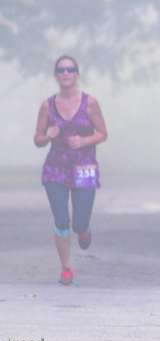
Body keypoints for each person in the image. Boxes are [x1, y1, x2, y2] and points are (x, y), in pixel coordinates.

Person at [34, 55, 108, 285]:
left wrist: (84, 141)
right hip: (56, 169)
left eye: (70, 69)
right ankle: (66, 268)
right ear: (56, 75)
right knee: (61, 220)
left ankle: (84, 230)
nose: (66, 73)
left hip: (84, 168)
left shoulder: (90, 103)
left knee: (79, 224)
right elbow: (37, 139)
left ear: (77, 74)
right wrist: (48, 136)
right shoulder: (48, 105)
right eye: (61, 70)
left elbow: (103, 133)